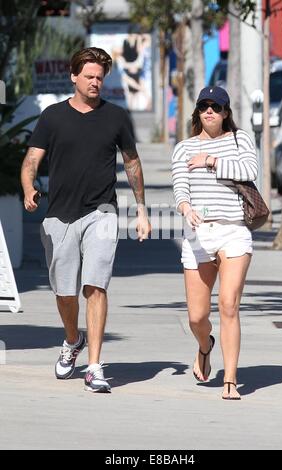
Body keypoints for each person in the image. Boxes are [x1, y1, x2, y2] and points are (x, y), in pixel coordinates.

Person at [21, 47, 151, 393]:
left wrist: (141, 210)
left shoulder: (116, 117)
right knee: (65, 292)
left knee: (95, 285)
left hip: (102, 212)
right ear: (73, 76)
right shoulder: (52, 117)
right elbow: (32, 160)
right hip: (60, 215)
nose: (95, 83)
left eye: (100, 78)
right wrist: (28, 188)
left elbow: (132, 163)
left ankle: (95, 366)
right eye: (89, 76)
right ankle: (72, 339)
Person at [172, 86, 258, 400]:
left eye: (216, 107)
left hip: (234, 231)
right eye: (204, 106)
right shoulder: (183, 148)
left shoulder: (240, 139)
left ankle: (230, 380)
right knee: (196, 316)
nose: (210, 111)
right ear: (197, 112)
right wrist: (185, 207)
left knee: (228, 305)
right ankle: (204, 345)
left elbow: (250, 171)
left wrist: (210, 160)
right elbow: (180, 187)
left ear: (225, 113)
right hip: (198, 233)